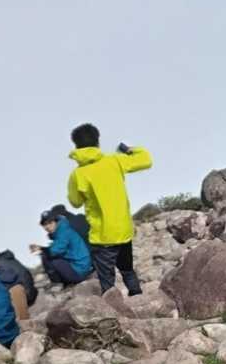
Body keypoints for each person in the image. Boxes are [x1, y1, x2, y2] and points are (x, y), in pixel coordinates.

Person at [66, 123, 152, 296]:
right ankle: (138, 297)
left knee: (107, 282)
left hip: (102, 236)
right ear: (97, 141)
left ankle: (113, 308)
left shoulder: (78, 174)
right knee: (127, 269)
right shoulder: (114, 161)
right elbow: (146, 160)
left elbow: (75, 202)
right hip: (123, 229)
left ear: (76, 145)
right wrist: (128, 149)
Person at [30, 209, 93, 287]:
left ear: (56, 221)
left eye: (50, 223)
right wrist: (41, 248)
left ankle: (57, 284)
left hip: (81, 270)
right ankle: (62, 283)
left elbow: (54, 252)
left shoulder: (63, 231)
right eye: (45, 224)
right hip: (81, 267)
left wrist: (41, 249)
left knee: (48, 257)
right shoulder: (62, 229)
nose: (48, 227)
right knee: (48, 255)